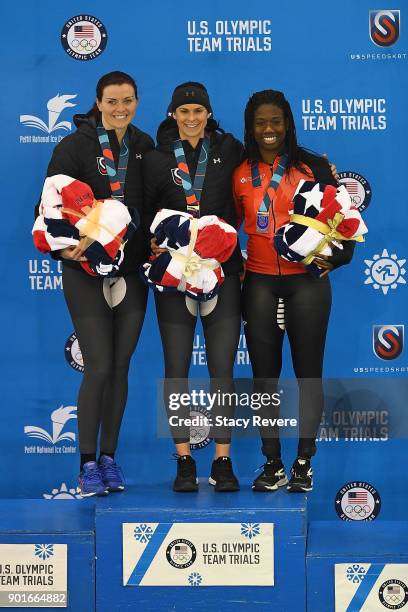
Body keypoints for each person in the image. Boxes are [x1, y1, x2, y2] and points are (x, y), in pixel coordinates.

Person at [36, 71, 154, 496]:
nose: (120, 109)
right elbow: (48, 203)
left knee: (121, 368)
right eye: (112, 102)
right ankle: (86, 464)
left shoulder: (144, 147)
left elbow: (158, 203)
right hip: (84, 269)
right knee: (100, 365)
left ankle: (109, 459)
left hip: (132, 271)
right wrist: (61, 248)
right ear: (98, 103)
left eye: (127, 101)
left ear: (137, 101)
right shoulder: (74, 146)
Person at [233, 90, 355, 493]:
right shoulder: (237, 172)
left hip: (306, 281)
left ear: (288, 123)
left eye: (276, 121)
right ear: (251, 127)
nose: (269, 130)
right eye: (260, 123)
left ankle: (304, 461)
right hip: (260, 280)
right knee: (264, 377)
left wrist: (338, 257)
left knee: (308, 373)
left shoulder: (314, 166)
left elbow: (346, 217)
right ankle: (273, 463)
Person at [143, 82, 243, 492]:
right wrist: (149, 243)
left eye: (198, 111)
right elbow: (143, 211)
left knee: (222, 369)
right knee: (176, 370)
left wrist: (315, 165)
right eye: (183, 112)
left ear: (208, 114)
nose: (191, 118)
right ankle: (183, 460)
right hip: (174, 276)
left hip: (221, 272)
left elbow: (274, 158)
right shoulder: (154, 159)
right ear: (172, 114)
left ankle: (222, 461)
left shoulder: (229, 151)